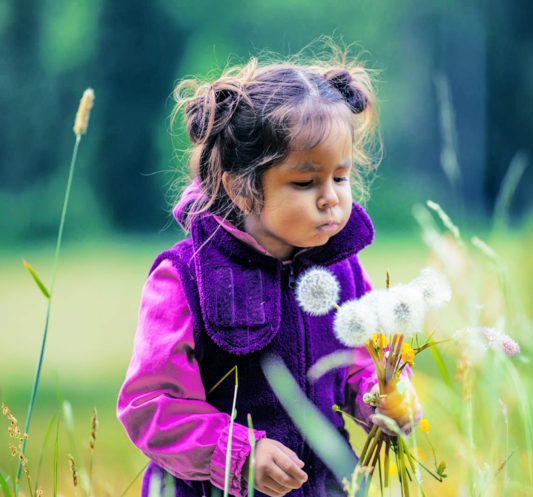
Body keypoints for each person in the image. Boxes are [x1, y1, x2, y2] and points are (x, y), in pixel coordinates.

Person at [117, 47, 421, 497]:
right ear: (240, 188)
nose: (331, 198)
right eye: (305, 182)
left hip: (325, 485)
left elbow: (362, 363)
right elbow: (151, 406)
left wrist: (385, 396)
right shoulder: (185, 277)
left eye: (340, 176)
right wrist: (237, 456)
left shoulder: (341, 265)